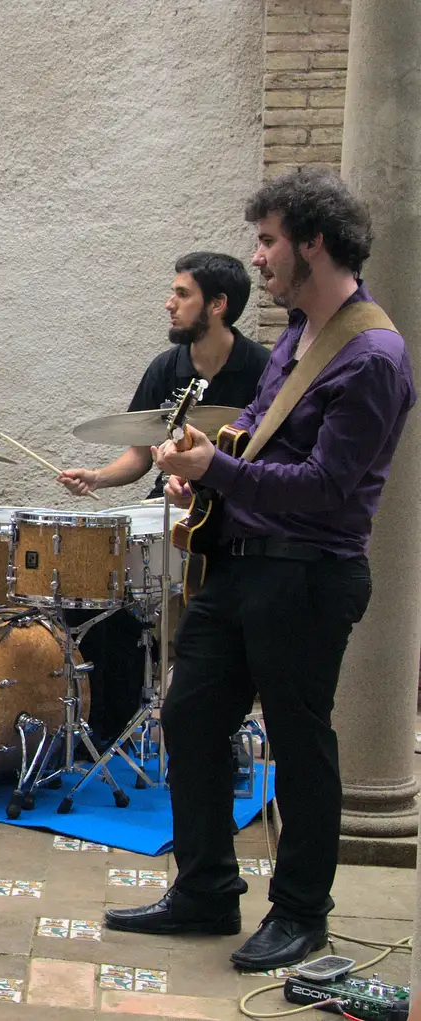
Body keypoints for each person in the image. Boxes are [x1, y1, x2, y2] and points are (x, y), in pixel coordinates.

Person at [107, 168, 414, 972]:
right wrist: (197, 463)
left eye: (270, 240)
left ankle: (302, 913)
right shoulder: (299, 333)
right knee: (191, 716)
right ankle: (206, 889)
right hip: (242, 566)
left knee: (298, 743)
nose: (259, 257)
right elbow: (256, 430)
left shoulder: (373, 355)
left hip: (309, 576)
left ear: (314, 242)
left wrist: (220, 472)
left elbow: (325, 488)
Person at [56, 253, 270, 744]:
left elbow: (267, 461)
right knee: (95, 584)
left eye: (182, 294)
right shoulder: (166, 367)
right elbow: (140, 454)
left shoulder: (261, 369)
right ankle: (110, 723)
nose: (168, 304)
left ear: (217, 305)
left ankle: (213, 724)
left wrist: (205, 484)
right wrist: (97, 477)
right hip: (166, 507)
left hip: (231, 515)